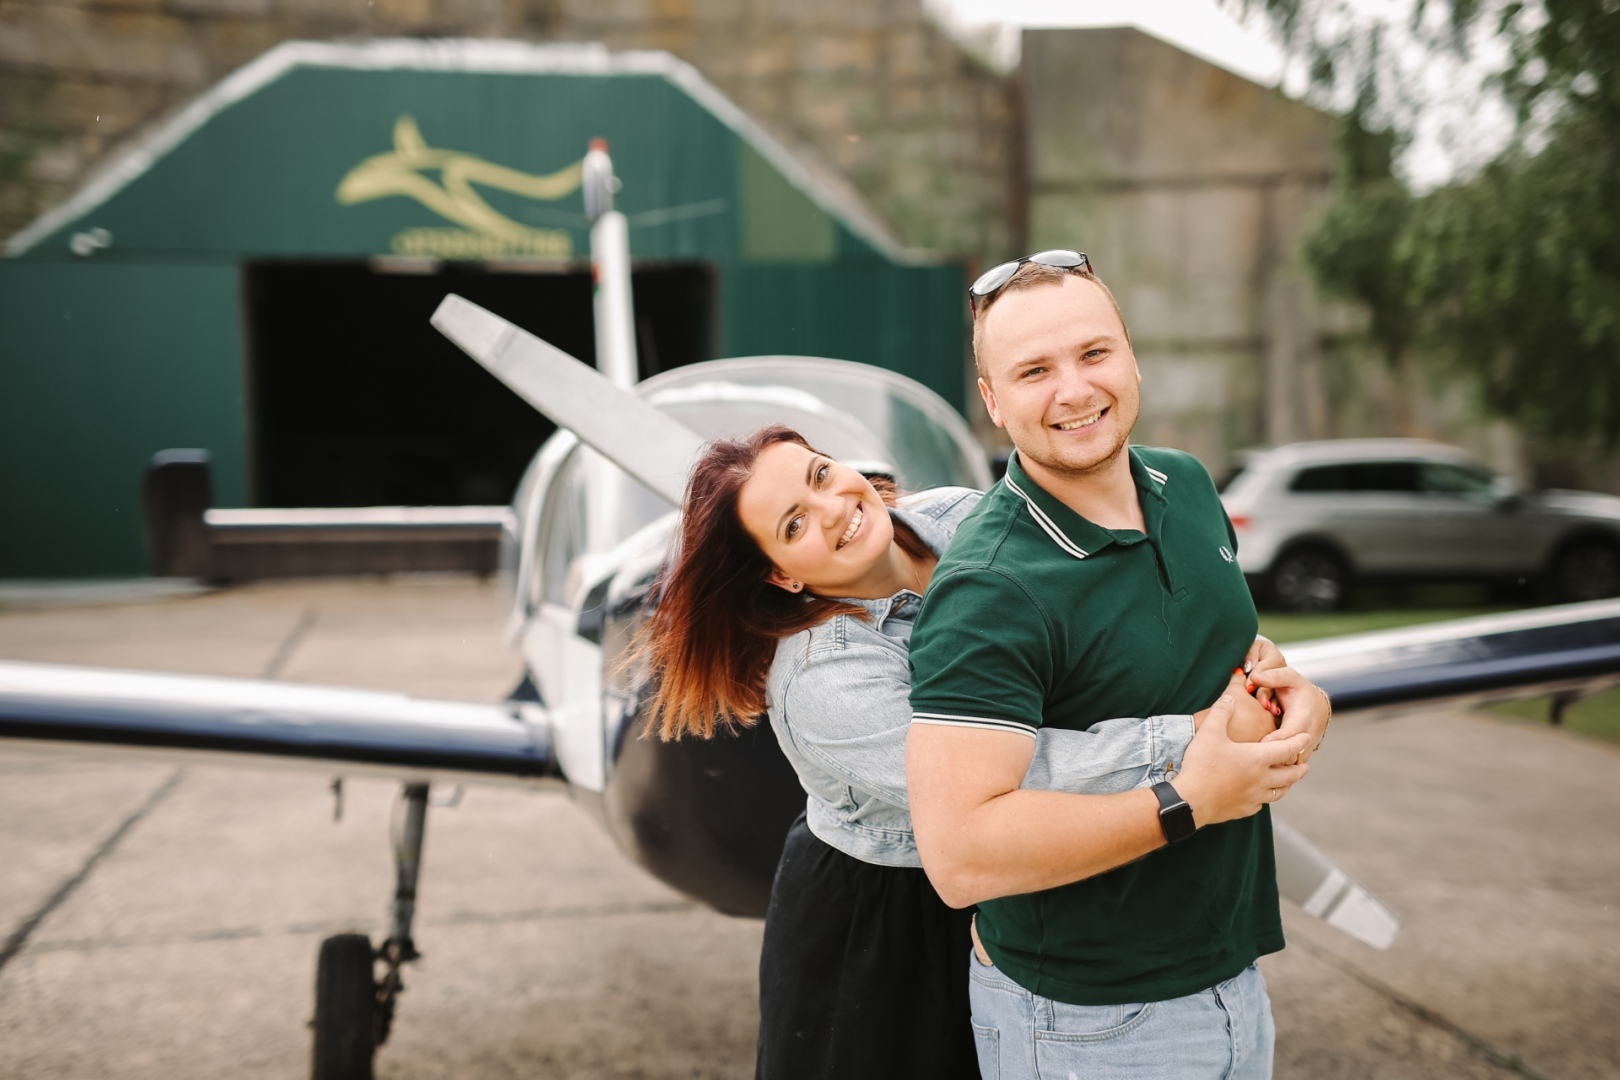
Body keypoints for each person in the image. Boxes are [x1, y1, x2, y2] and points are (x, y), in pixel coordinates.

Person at [635, 422, 1298, 1080]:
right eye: (794, 525)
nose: (835, 507)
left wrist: (1239, 669)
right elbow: (1006, 774)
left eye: (820, 474)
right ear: (780, 575)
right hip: (885, 912)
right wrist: (1196, 737)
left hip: (1011, 872)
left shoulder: (960, 515)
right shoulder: (820, 677)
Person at [905, 251, 1332, 1080]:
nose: (1074, 390)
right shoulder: (990, 589)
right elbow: (961, 855)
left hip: (1232, 975)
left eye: (1094, 353)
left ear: (1131, 355)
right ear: (992, 402)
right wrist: (1189, 801)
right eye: (1033, 371)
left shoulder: (1187, 483)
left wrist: (1298, 694)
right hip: (1086, 1023)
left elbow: (1212, 651)